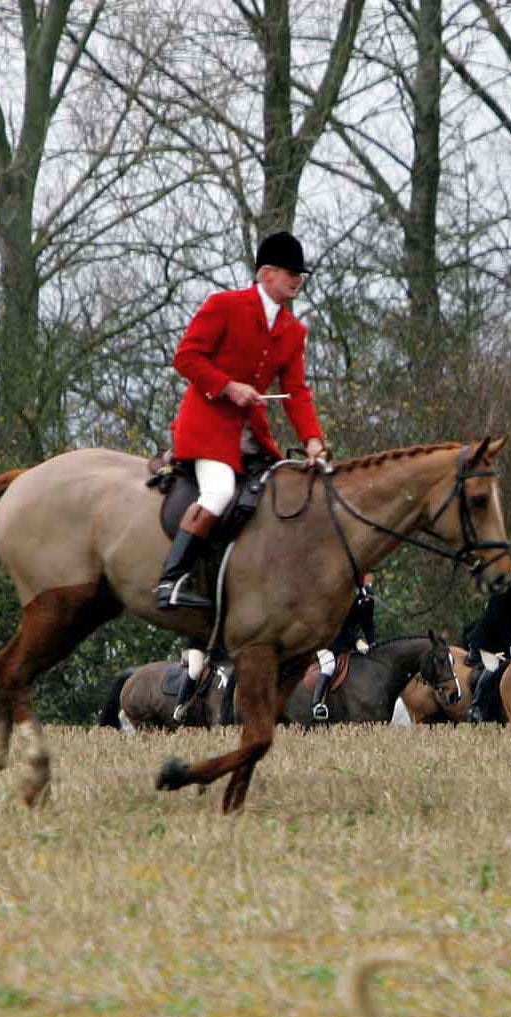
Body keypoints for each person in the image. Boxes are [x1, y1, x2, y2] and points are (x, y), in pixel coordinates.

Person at [156, 231, 328, 611]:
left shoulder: (294, 331)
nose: (297, 279)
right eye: (289, 272)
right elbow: (186, 357)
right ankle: (171, 580)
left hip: (251, 435)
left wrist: (313, 440)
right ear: (266, 274)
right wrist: (228, 386)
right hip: (207, 427)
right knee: (217, 492)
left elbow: (297, 393)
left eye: (300, 274)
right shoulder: (225, 305)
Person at [466, 543, 511, 723]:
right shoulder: (504, 583)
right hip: (489, 640)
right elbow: (499, 617)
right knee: (493, 668)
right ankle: (476, 707)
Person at [303, 573, 375, 720]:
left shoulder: (368, 595)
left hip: (345, 641)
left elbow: (368, 623)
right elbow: (340, 624)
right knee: (329, 664)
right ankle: (317, 705)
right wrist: (356, 641)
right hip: (324, 639)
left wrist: (373, 643)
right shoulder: (341, 594)